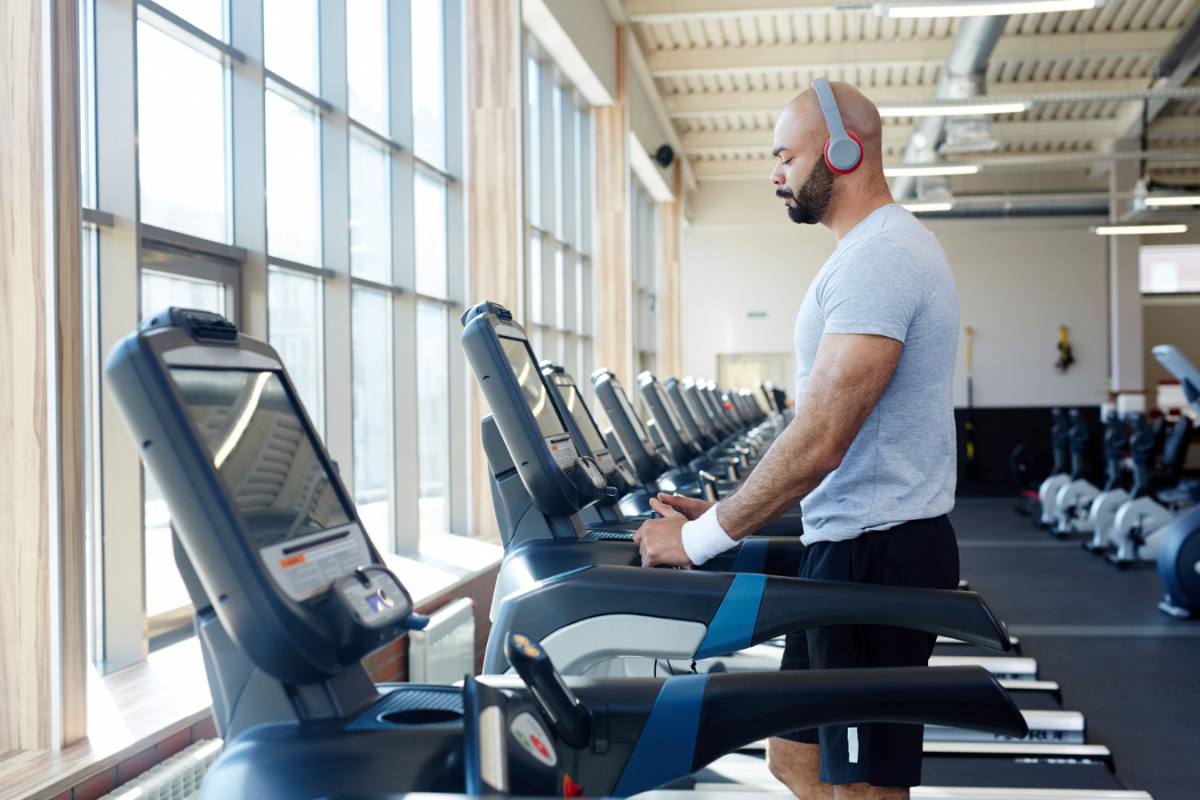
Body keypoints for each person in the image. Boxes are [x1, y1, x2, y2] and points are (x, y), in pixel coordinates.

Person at [632, 80, 961, 800]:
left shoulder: (882, 258)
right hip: (849, 547)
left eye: (785, 156)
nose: (774, 175)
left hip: (877, 556)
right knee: (794, 757)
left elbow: (821, 440)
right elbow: (818, 431)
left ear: (841, 151)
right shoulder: (864, 254)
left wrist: (700, 542)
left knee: (864, 788)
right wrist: (724, 507)